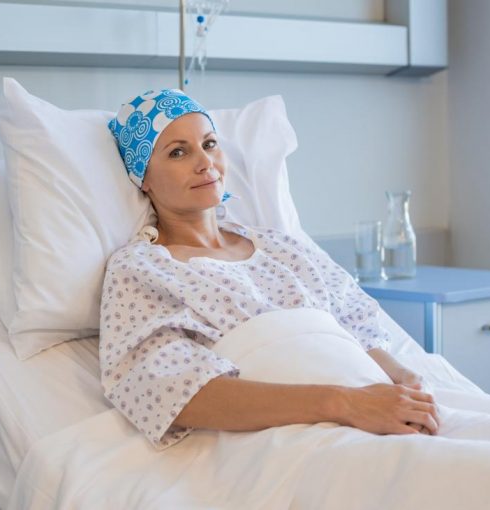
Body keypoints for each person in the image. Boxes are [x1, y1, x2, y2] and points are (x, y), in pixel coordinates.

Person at [102, 88, 440, 450]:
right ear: (143, 177)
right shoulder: (142, 268)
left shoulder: (283, 247)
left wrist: (402, 377)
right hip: (286, 437)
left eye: (210, 144)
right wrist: (345, 404)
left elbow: (355, 323)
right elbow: (168, 390)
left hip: (377, 404)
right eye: (178, 152)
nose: (205, 162)